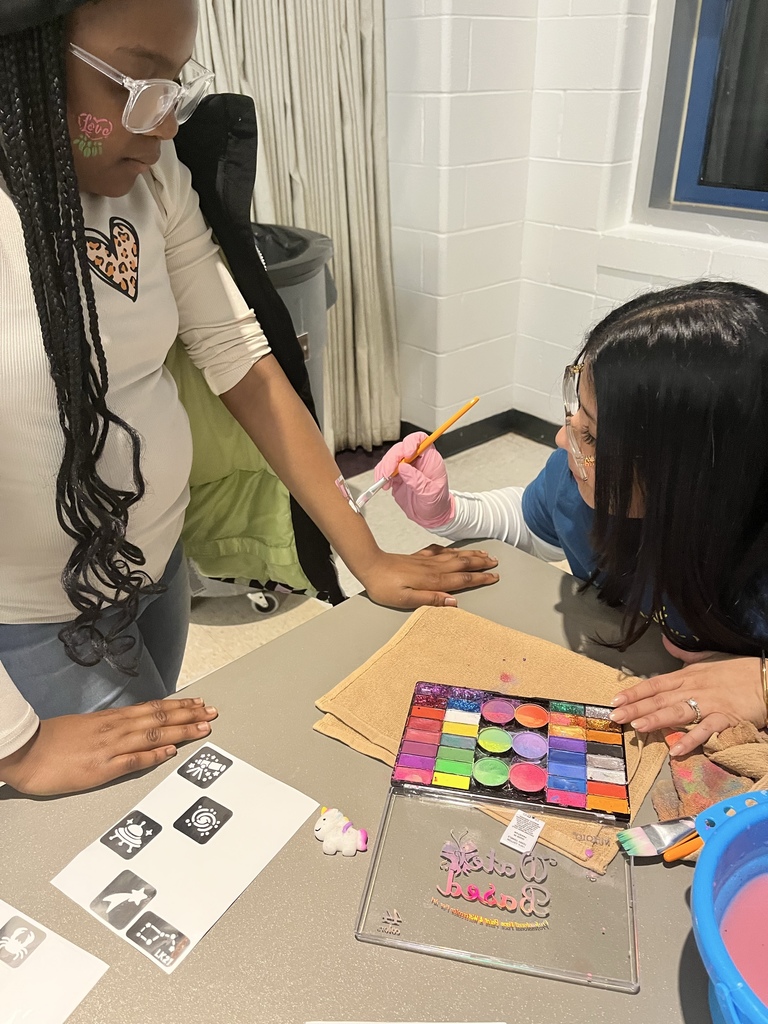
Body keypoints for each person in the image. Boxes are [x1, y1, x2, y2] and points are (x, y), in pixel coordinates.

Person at [0, 0, 500, 797]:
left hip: (155, 566)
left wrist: (363, 553)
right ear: (21, 56)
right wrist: (14, 748)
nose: (164, 127)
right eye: (136, 84)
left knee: (158, 781)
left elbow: (241, 360)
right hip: (36, 618)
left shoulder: (153, 178)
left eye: (174, 89)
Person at [376, 281, 768, 757]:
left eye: (594, 437)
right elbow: (531, 524)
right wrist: (447, 511)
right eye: (575, 417)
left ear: (697, 474)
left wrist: (762, 684)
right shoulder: (579, 485)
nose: (564, 441)